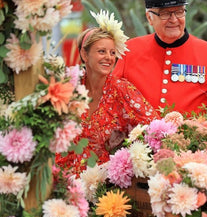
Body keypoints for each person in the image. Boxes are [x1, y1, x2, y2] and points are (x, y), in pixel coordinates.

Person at [56, 10, 159, 175]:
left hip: (105, 184)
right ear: (84, 54)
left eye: (112, 53)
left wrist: (129, 151)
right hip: (62, 181)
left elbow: (155, 127)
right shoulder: (67, 87)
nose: (109, 58)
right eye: (102, 51)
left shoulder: (121, 89)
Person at [113, 0, 207, 115]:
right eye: (165, 13)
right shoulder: (129, 50)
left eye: (179, 12)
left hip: (190, 135)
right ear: (149, 18)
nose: (173, 20)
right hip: (140, 134)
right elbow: (113, 98)